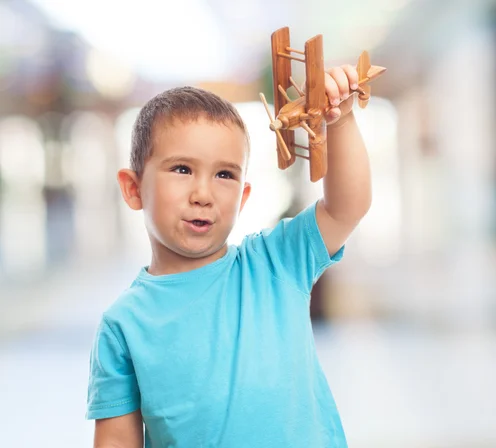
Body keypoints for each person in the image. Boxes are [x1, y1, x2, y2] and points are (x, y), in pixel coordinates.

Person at [86, 63, 372, 448]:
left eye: (225, 175)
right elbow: (117, 441)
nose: (203, 194)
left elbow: (345, 207)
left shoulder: (276, 263)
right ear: (133, 189)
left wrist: (341, 119)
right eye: (183, 169)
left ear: (244, 196)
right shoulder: (123, 325)